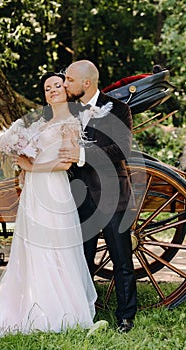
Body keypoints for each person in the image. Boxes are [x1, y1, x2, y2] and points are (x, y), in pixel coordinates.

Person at [0, 72, 97, 336]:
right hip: (34, 191)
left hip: (54, 189)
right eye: (47, 88)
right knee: (31, 246)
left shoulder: (69, 123)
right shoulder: (44, 123)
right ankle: (29, 301)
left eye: (57, 86)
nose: (52, 90)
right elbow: (37, 155)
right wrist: (23, 168)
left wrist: (31, 166)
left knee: (53, 245)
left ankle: (57, 308)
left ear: (66, 90)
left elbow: (65, 163)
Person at [58, 60, 137, 333]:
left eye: (69, 80)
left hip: (114, 196)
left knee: (122, 260)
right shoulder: (66, 112)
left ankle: (126, 317)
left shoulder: (120, 110)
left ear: (86, 83)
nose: (65, 84)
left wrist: (81, 155)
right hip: (80, 198)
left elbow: (121, 150)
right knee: (82, 260)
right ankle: (83, 313)